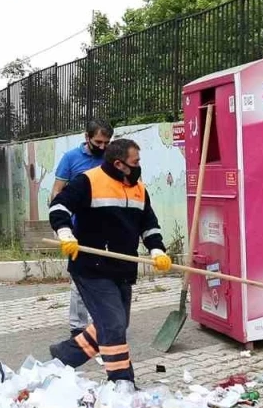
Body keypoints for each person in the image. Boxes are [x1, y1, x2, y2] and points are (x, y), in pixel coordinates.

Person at [48, 137, 171, 384]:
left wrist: (157, 250)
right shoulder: (89, 181)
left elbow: (149, 225)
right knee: (113, 326)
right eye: (135, 161)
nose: (139, 165)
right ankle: (122, 382)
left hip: (123, 268)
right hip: (91, 266)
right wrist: (65, 233)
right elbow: (58, 207)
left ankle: (65, 355)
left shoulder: (139, 189)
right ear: (119, 164)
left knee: (117, 323)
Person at [52, 120, 114, 338]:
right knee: (80, 279)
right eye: (98, 141)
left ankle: (103, 323)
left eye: (107, 142)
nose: (103, 146)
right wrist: (61, 228)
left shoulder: (110, 158)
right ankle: (78, 327)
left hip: (106, 228)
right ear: (87, 137)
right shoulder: (71, 158)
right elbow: (57, 193)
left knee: (107, 278)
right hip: (78, 229)